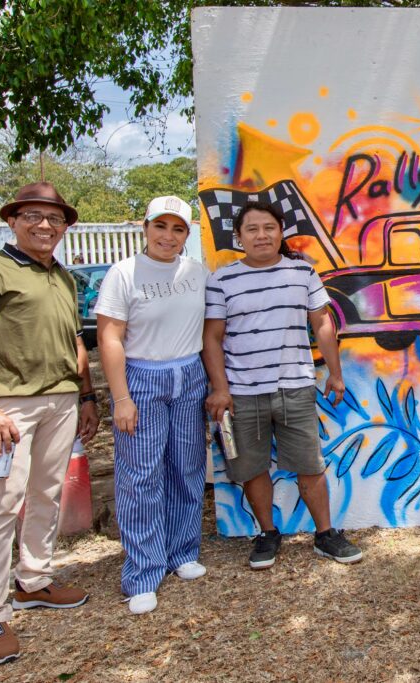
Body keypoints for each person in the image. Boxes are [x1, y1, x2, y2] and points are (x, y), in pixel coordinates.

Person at [0, 182, 100, 665]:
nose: (44, 225)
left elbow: (76, 342)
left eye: (54, 218)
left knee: (46, 494)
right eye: (33, 215)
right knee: (0, 503)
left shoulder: (65, 277)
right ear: (12, 220)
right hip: (8, 406)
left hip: (60, 401)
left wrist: (87, 394)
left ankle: (34, 580)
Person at [203, 201, 362, 569]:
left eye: (269, 227)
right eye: (252, 229)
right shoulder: (222, 279)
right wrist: (220, 388)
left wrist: (335, 374)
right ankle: (268, 533)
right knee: (252, 466)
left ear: (280, 233)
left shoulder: (303, 272)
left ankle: (325, 535)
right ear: (239, 237)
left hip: (296, 386)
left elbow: (322, 324)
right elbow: (211, 338)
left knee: (309, 463)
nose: (262, 235)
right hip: (242, 391)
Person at [95, 196, 209, 615]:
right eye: (160, 226)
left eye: (178, 229)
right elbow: (109, 337)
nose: (168, 236)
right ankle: (143, 571)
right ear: (145, 228)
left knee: (187, 465)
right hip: (142, 378)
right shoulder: (123, 273)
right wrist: (121, 397)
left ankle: (181, 551)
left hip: (189, 375)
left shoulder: (197, 272)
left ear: (187, 234)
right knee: (141, 474)